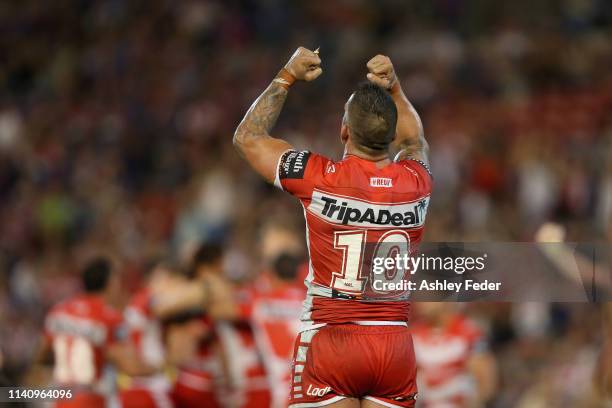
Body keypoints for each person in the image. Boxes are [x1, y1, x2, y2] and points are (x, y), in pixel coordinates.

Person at [234, 47, 431, 407]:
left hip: (331, 340)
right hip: (394, 344)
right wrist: (396, 89)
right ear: (388, 135)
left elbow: (248, 137)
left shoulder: (319, 177)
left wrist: (287, 74)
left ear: (344, 130)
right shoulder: (416, 182)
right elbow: (414, 141)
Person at [42, 257, 156, 408]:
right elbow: (131, 367)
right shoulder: (110, 318)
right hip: (91, 399)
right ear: (111, 284)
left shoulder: (59, 311)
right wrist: (162, 367)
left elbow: (43, 354)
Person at [410, 303, 497, 407]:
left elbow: (486, 379)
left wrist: (475, 400)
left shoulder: (469, 332)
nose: (421, 303)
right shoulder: (412, 333)